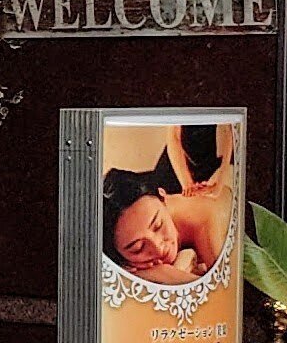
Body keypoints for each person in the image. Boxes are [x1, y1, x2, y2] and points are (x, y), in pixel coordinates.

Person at [101, 122, 236, 287]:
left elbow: (222, 293)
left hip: (199, 168)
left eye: (158, 225)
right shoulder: (119, 241)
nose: (158, 248)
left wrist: (164, 274)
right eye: (138, 248)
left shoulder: (203, 219)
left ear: (163, 196)